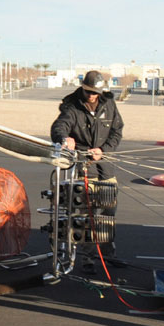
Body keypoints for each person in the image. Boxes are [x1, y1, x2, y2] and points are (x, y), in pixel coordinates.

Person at [50, 70, 124, 273]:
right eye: (89, 91)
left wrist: (104, 150)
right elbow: (59, 127)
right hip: (84, 169)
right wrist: (65, 139)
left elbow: (117, 130)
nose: (92, 96)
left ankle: (108, 251)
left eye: (96, 92)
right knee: (86, 214)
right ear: (83, 87)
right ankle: (88, 258)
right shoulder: (72, 106)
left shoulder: (109, 104)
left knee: (109, 212)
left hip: (106, 167)